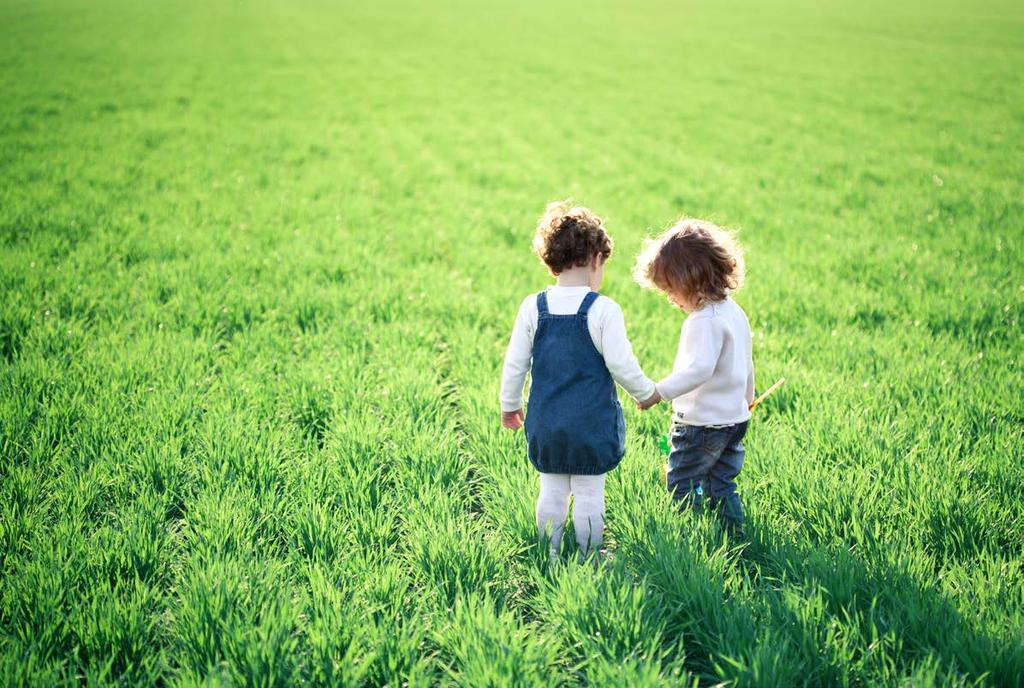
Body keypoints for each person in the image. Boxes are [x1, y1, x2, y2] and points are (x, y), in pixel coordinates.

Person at [500, 201, 659, 561]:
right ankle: (589, 554)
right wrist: (646, 393)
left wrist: (510, 405)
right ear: (595, 259)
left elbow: (515, 364)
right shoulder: (603, 310)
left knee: (551, 490)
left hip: (548, 422)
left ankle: (550, 554)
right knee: (590, 492)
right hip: (590, 424)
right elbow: (622, 364)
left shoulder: (533, 306)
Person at [634, 219, 753, 536]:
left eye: (671, 290)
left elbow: (699, 370)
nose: (670, 299)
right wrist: (747, 398)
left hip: (701, 424)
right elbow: (745, 361)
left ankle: (686, 536)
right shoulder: (733, 311)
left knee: (681, 481)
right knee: (720, 482)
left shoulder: (703, 321)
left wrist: (658, 392)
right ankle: (733, 534)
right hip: (734, 420)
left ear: (692, 280)